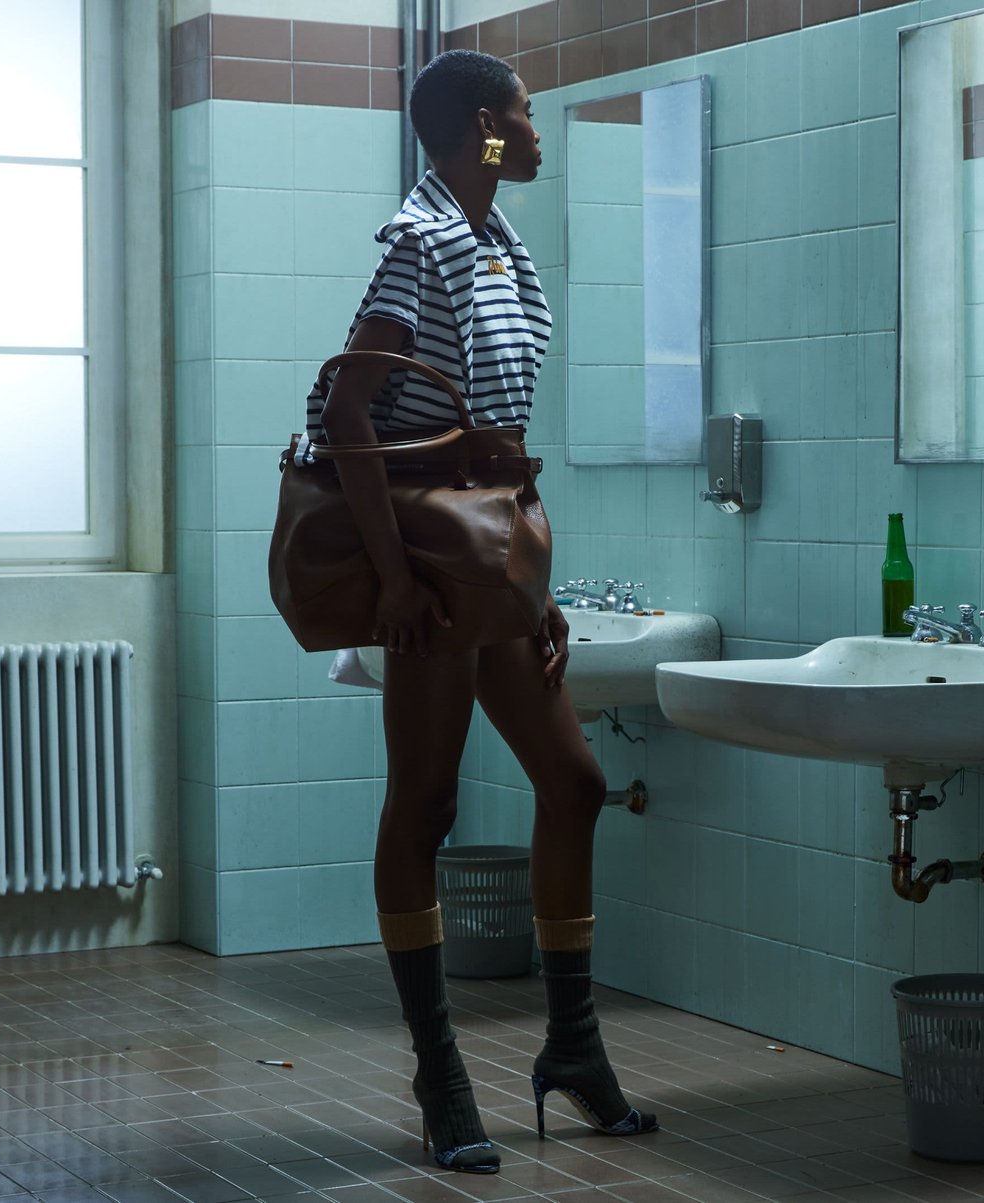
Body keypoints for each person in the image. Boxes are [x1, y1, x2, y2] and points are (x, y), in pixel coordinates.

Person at [307, 49, 658, 1175]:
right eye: (522, 114)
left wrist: (533, 586)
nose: (539, 129)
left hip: (493, 558)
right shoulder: (423, 244)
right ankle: (438, 1074)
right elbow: (345, 411)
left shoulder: (500, 246)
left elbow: (496, 436)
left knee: (576, 782)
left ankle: (573, 1049)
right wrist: (396, 577)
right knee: (424, 806)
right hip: (429, 561)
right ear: (476, 125)